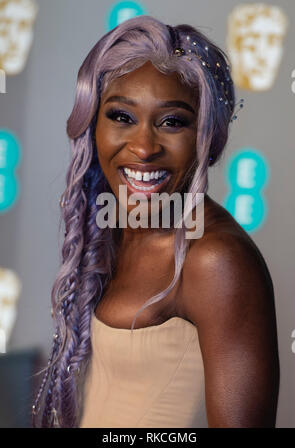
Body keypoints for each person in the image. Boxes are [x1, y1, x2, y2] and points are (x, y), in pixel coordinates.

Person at [32, 15, 280, 428]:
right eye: (122, 117)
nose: (144, 148)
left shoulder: (215, 260)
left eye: (172, 122)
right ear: (92, 125)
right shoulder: (113, 226)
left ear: (205, 135)